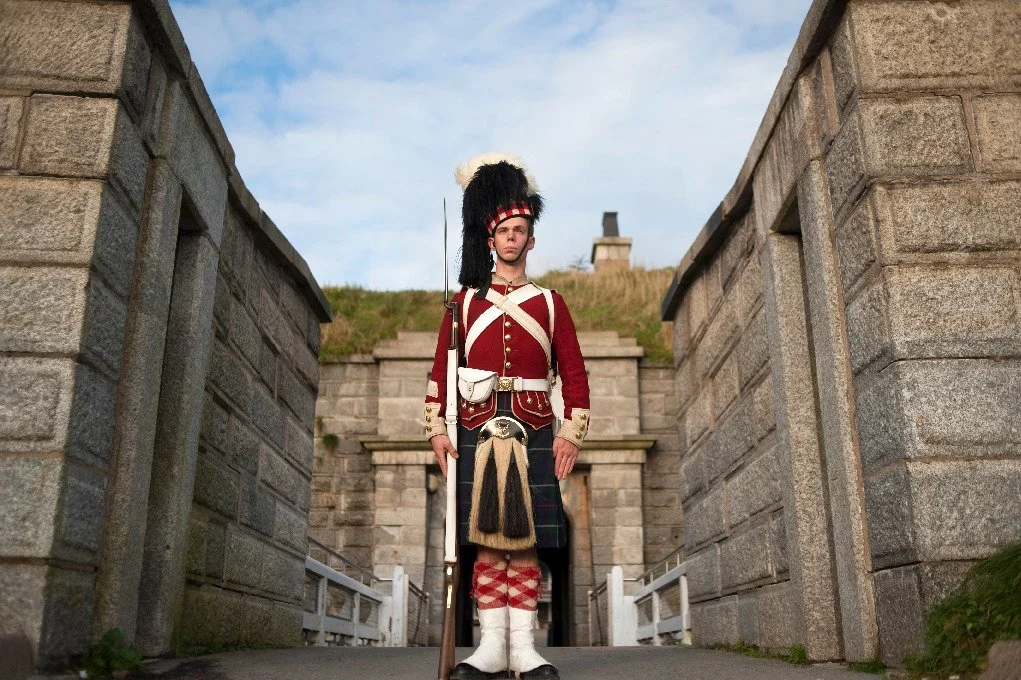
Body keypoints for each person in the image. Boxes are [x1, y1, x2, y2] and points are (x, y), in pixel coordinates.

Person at [425, 153, 591, 680]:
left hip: (534, 427)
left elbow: (576, 374)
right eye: (505, 231)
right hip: (475, 426)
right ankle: (491, 646)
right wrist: (436, 430)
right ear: (490, 240)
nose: (514, 239)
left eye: (521, 230)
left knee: (524, 542)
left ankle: (524, 647)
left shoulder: (550, 302)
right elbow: (439, 372)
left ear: (531, 239)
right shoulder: (463, 303)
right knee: (483, 541)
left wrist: (570, 434)